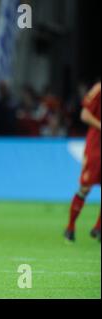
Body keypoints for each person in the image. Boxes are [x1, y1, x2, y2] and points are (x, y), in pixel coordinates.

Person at [65, 81, 101, 243]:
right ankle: (70, 227)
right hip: (96, 147)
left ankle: (98, 228)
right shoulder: (98, 89)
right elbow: (85, 115)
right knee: (85, 187)